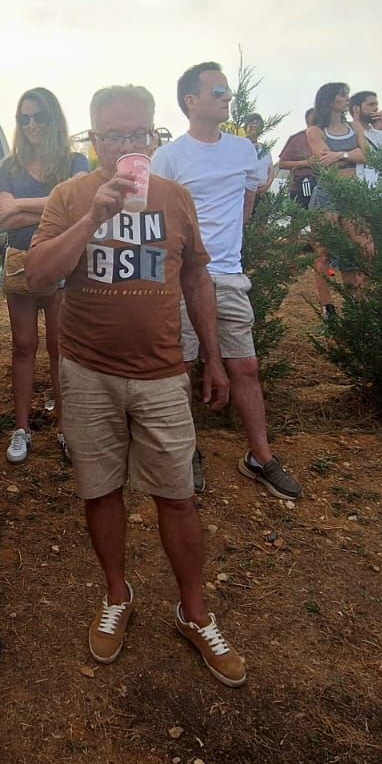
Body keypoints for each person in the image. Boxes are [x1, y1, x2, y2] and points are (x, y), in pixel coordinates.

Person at [26, 84, 246, 685]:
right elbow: (38, 274)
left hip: (161, 373)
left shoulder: (175, 198)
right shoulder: (70, 196)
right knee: (101, 491)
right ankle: (116, 595)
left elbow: (198, 276)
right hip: (88, 370)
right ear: (94, 141)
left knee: (178, 495)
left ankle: (194, 611)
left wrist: (217, 360)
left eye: (139, 135)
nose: (129, 146)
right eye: (115, 136)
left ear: (154, 136)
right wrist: (94, 216)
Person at [152, 61, 302, 500]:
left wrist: (227, 247)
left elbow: (248, 202)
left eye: (227, 91)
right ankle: (187, 452)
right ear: (190, 101)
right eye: (217, 91)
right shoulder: (170, 156)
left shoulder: (243, 150)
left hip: (230, 276)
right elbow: (158, 220)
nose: (226, 98)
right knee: (180, 368)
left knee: (245, 366)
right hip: (182, 279)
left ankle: (260, 456)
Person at [0, 87, 89, 464]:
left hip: (64, 267)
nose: (31, 124)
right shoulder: (10, 166)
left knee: (60, 349)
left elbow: (78, 207)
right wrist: (57, 208)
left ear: (54, 119)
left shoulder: (74, 161)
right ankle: (21, 428)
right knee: (23, 346)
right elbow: (5, 216)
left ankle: (65, 427)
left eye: (39, 117)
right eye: (24, 118)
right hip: (22, 267)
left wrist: (22, 206)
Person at [305, 82, 365, 319]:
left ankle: (355, 306)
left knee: (355, 252)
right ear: (329, 100)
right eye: (342, 95)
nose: (347, 98)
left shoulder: (355, 125)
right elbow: (323, 159)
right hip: (327, 196)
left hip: (353, 196)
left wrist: (340, 155)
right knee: (324, 254)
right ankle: (327, 307)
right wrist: (352, 156)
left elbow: (368, 155)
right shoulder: (315, 130)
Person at [350, 90, 382, 186]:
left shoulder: (381, 135)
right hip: (356, 187)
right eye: (371, 105)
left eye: (376, 105)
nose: (376, 108)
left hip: (380, 189)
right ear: (356, 108)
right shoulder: (347, 133)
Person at [277, 126, 316, 206]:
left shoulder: (329, 136)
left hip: (324, 186)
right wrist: (305, 163)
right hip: (299, 187)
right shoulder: (297, 138)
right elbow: (282, 163)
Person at [243, 114, 276, 193]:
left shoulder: (264, 149)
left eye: (257, 123)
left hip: (261, 192)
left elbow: (271, 170)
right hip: (244, 191)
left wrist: (267, 185)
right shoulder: (240, 146)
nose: (254, 126)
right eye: (251, 123)